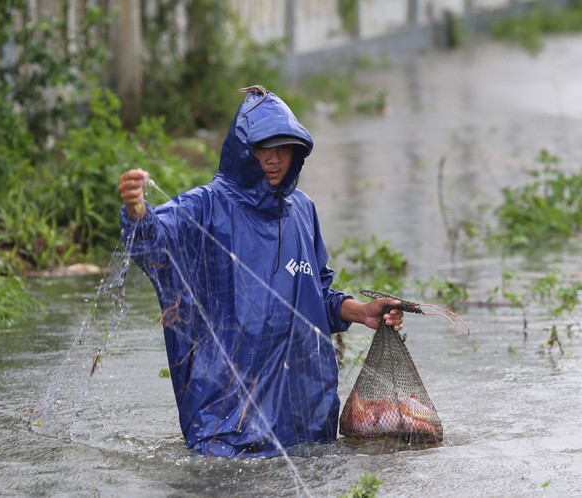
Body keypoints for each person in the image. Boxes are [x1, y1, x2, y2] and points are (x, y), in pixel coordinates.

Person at [117, 86, 404, 458]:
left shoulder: (302, 211)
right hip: (228, 422)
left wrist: (360, 312)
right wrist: (136, 210)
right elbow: (153, 244)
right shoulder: (207, 206)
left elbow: (314, 294)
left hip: (306, 418)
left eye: (283, 148)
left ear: (296, 152)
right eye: (262, 148)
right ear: (242, 151)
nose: (273, 159)